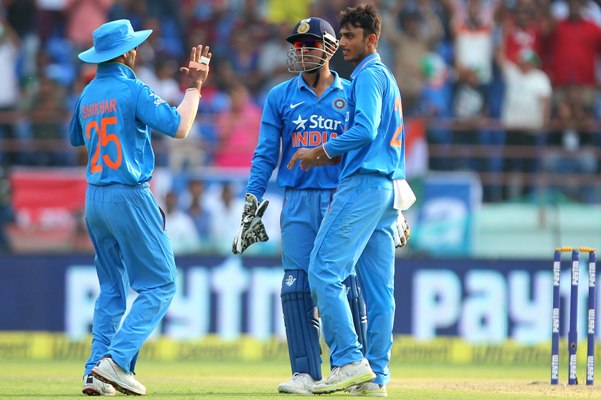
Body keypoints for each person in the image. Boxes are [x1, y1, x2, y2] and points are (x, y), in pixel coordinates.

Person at [69, 19, 211, 396]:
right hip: (128, 193)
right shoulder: (132, 88)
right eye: (134, 46)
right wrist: (194, 88)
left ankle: (94, 371)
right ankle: (115, 363)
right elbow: (180, 127)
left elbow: (74, 137)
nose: (138, 51)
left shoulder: (87, 93)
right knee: (161, 283)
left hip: (94, 197)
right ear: (127, 53)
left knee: (111, 289)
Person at [231, 17, 369, 395]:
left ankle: (356, 368)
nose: (300, 50)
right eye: (296, 44)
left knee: (344, 283)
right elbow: (264, 155)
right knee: (295, 285)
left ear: (328, 48)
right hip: (296, 201)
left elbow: (371, 144)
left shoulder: (353, 92)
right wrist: (253, 199)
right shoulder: (279, 96)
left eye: (308, 44)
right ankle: (306, 373)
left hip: (341, 198)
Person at [287, 4, 412, 396]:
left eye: (350, 37)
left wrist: (318, 152)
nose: (342, 44)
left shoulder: (368, 76)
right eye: (341, 36)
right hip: (386, 189)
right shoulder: (385, 77)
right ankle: (377, 378)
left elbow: (365, 130)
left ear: (371, 40)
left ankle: (347, 359)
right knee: (379, 293)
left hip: (361, 185)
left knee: (323, 271)